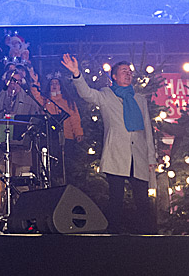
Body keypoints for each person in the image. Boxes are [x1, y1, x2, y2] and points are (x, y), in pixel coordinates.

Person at [61, 54, 157, 234]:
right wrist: (76, 74)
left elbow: (147, 131)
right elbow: (87, 93)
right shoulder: (107, 95)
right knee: (116, 199)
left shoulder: (140, 100)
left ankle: (148, 237)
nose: (128, 74)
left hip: (139, 156)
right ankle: (113, 236)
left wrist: (151, 157)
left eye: (129, 72)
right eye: (123, 71)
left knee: (143, 201)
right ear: (114, 76)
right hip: (117, 154)